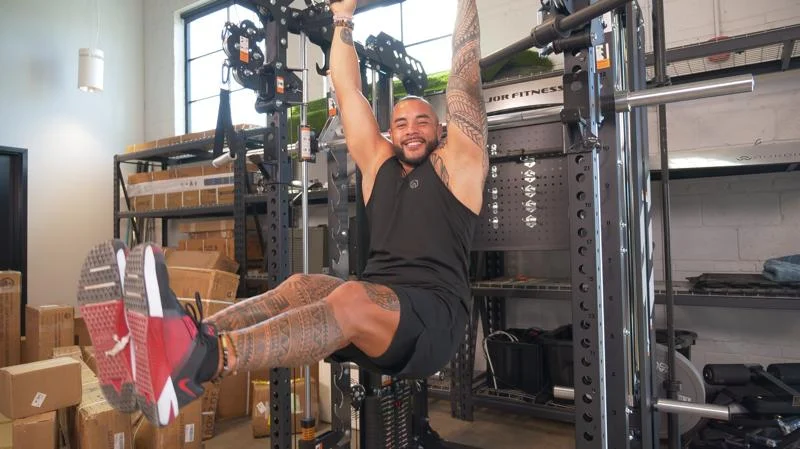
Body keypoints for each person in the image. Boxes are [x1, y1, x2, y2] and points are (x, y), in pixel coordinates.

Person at [77, 0, 489, 427]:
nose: (411, 129)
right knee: (299, 286)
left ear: (440, 128)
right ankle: (184, 343)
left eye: (423, 121)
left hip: (436, 320)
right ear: (390, 130)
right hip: (380, 311)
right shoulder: (379, 165)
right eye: (401, 123)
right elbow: (347, 90)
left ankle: (198, 361)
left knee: (349, 295)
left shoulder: (457, 166)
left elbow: (465, 78)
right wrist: (343, 15)